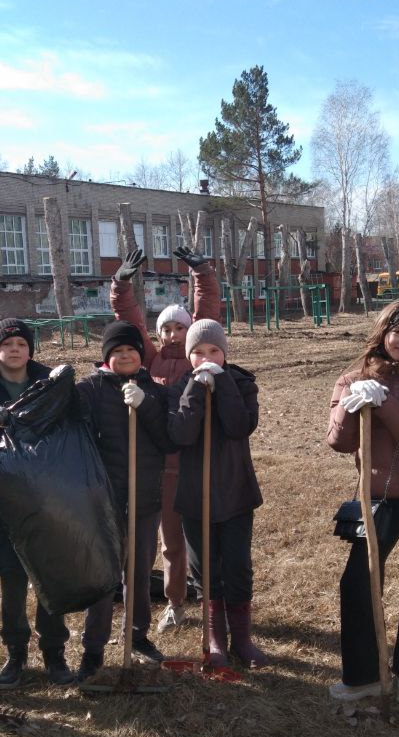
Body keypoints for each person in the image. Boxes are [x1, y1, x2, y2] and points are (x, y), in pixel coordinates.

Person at [326, 299, 399, 705]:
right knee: (358, 582)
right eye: (397, 332)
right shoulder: (350, 379)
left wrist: (386, 404)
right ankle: (364, 675)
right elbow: (338, 442)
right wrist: (350, 404)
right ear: (382, 331)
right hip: (375, 497)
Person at [111, 245, 222, 634]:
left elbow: (207, 314)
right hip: (157, 465)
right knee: (168, 543)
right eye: (167, 329)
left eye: (180, 327)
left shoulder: (199, 357)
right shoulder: (151, 360)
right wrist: (121, 285)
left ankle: (213, 603)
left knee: (199, 542)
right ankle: (175, 604)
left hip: (193, 460)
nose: (174, 334)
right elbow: (129, 321)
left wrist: (202, 272)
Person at [0, 319, 74, 687]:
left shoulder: (47, 384)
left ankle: (54, 654)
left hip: (46, 499)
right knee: (12, 584)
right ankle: (16, 655)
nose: (15, 349)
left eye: (22, 344)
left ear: (31, 351)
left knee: (49, 580)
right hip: (3, 503)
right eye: (7, 344)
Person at [75, 321, 177, 681]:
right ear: (107, 357)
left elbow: (168, 440)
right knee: (105, 576)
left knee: (138, 571)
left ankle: (136, 635)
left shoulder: (157, 391)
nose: (125, 356)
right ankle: (93, 648)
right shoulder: (91, 389)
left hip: (145, 498)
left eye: (131, 350)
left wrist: (146, 404)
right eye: (117, 352)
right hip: (104, 502)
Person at [168, 319, 267, 668]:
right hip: (196, 496)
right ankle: (215, 640)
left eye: (213, 351)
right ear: (188, 356)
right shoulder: (180, 386)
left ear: (224, 352)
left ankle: (243, 640)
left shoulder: (242, 383)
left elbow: (240, 426)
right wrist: (196, 390)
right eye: (197, 352)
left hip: (236, 491)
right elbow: (180, 434)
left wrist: (222, 383)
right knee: (205, 569)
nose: (206, 358)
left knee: (237, 567)